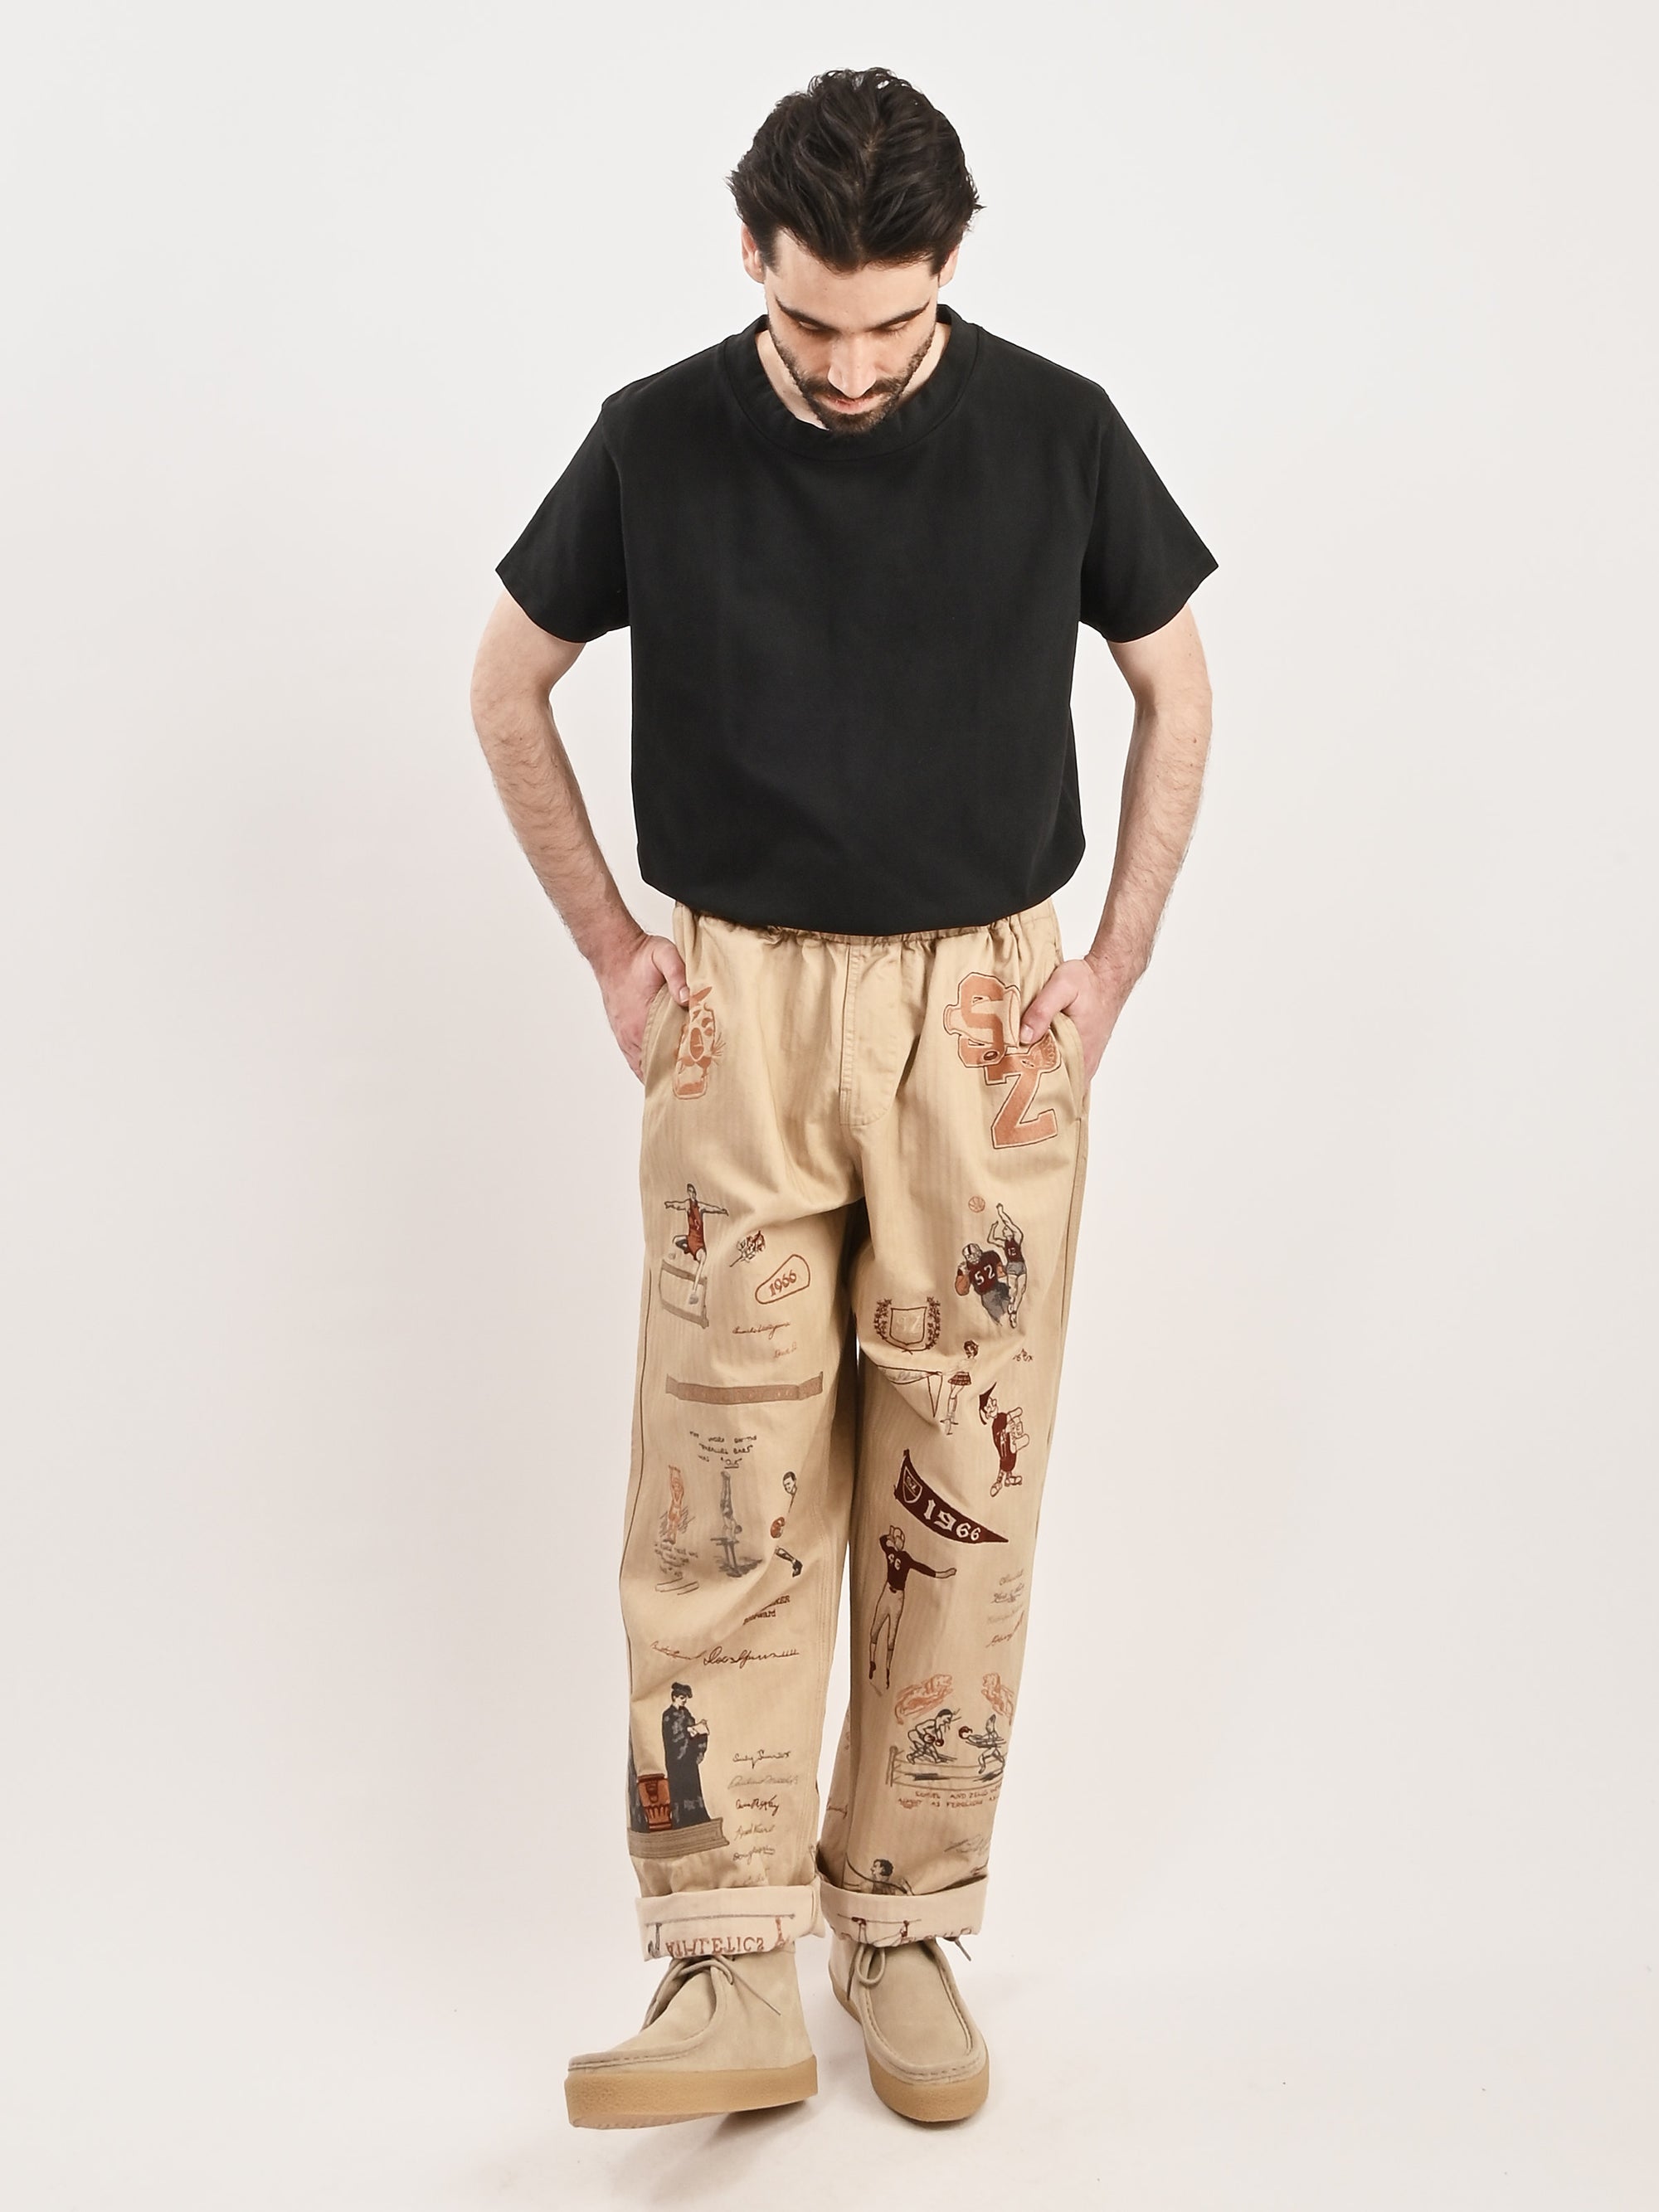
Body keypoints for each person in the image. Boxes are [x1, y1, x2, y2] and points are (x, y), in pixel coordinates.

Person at [469, 65, 1217, 2131]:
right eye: (813, 320)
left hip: (984, 1016)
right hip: (744, 1010)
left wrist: (1113, 966)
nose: (856, 365)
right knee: (722, 1477)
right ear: (751, 255)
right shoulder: (656, 436)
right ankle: (722, 1956)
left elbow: (1176, 679)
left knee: (960, 1469)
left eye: (895, 320)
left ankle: (901, 1921)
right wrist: (614, 950)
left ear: (949, 268)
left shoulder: (1059, 428)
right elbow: (505, 679)